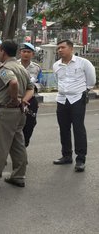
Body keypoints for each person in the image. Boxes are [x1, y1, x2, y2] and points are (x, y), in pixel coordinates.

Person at [0, 40, 34, 189]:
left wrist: (14, 99)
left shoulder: (5, 68)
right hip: (19, 112)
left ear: (3, 52)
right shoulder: (22, 68)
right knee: (18, 145)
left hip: (6, 111)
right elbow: (31, 88)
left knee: (0, 146)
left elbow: (12, 83)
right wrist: (22, 101)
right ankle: (18, 176)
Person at [52, 40, 96, 172]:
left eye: (63, 47)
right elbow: (57, 80)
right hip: (62, 99)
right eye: (58, 48)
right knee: (63, 128)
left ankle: (81, 159)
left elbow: (91, 80)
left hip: (77, 98)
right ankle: (66, 156)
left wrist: (84, 91)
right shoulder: (56, 65)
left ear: (71, 49)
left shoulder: (83, 63)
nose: (60, 50)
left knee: (78, 128)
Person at [18, 43, 43, 147]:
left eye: (28, 52)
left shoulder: (37, 68)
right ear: (20, 53)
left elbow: (41, 83)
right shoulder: (14, 65)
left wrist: (33, 87)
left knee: (30, 123)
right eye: (24, 51)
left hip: (30, 99)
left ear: (32, 54)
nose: (26, 54)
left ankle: (25, 143)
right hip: (16, 98)